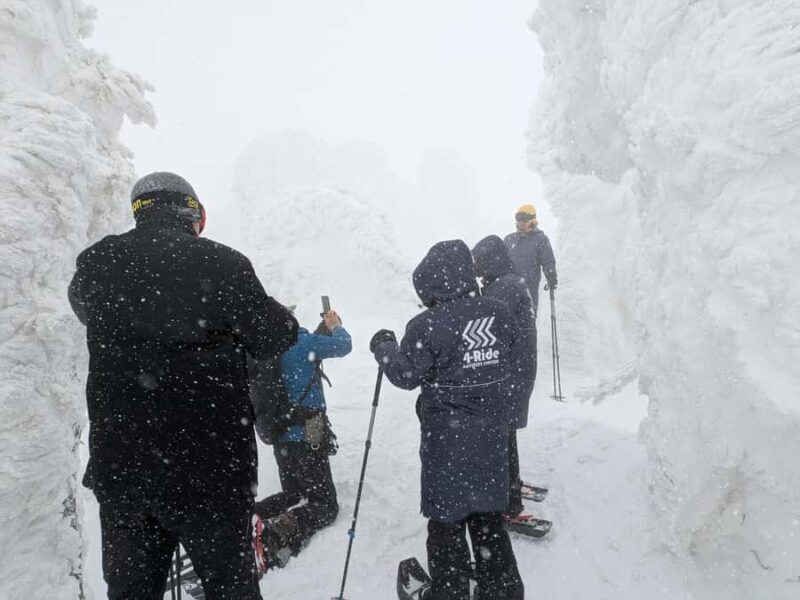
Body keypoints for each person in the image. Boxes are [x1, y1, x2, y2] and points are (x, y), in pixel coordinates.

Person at [68, 172, 298, 600]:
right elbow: (273, 336)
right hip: (210, 473)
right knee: (231, 589)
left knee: (131, 591)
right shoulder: (224, 264)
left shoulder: (97, 262)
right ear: (192, 213)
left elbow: (85, 309)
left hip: (123, 471)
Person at [370, 240, 524, 600]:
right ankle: (502, 591)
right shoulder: (499, 313)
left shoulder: (426, 325)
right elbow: (512, 352)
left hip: (447, 443)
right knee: (487, 516)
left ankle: (450, 591)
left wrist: (384, 346)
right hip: (490, 436)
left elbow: (406, 375)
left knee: (447, 522)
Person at [253, 308, 352, 569]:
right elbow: (344, 345)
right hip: (311, 428)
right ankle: (276, 532)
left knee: (294, 493)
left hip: (279, 434)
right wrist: (335, 326)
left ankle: (251, 516)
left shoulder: (265, 350)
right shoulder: (302, 342)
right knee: (325, 505)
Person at [472, 235, 537, 518]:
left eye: (478, 261)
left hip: (510, 374)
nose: (475, 267)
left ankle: (510, 502)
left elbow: (481, 319)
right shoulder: (506, 282)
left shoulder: (505, 287)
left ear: (491, 260)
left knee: (500, 437)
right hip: (516, 371)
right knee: (505, 433)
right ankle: (513, 486)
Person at [504, 204, 557, 318]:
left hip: (529, 288)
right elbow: (501, 262)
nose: (521, 222)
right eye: (518, 218)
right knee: (508, 321)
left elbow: (548, 260)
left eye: (525, 219)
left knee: (527, 320)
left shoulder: (540, 239)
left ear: (533, 220)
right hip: (508, 288)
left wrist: (551, 274)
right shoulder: (509, 239)